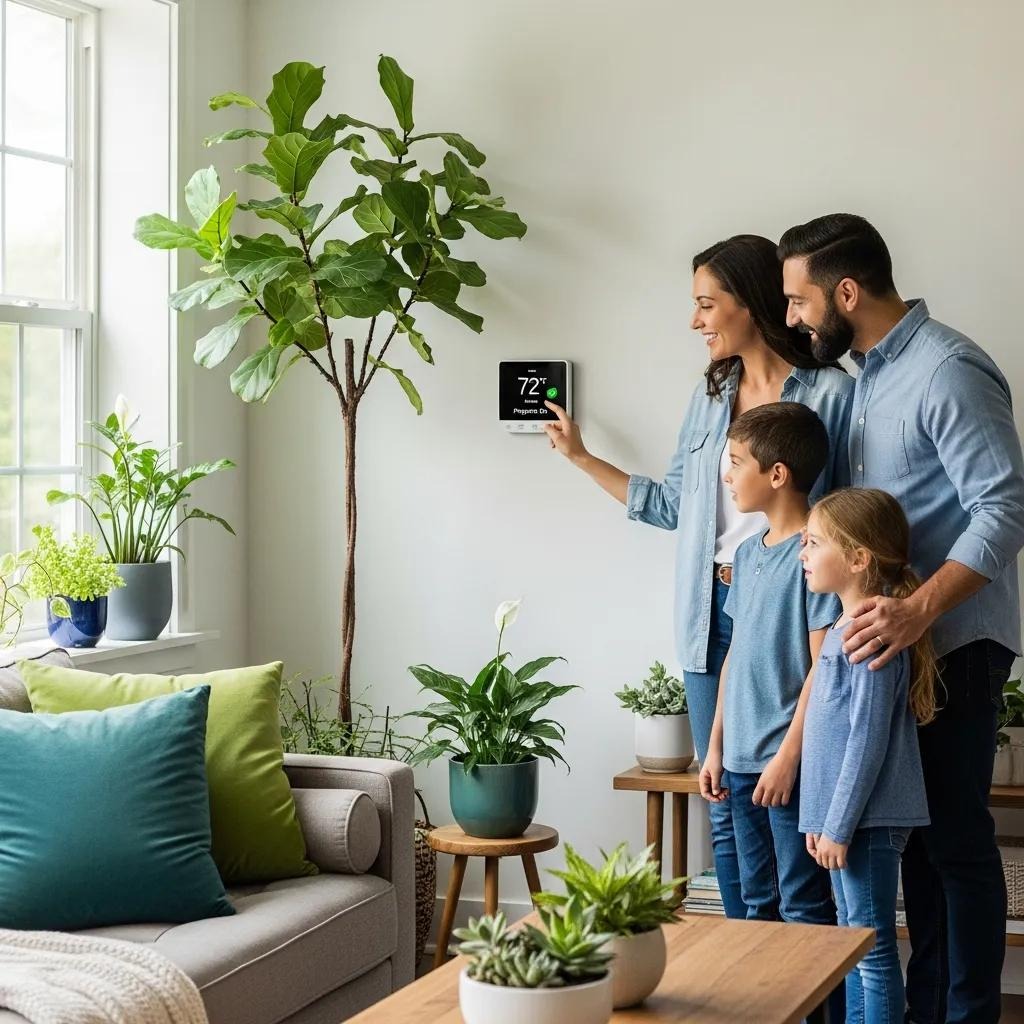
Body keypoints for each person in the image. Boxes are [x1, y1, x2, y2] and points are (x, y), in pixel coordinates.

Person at [543, 234, 853, 919]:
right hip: (709, 606)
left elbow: (852, 514)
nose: (695, 321)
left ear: (752, 304)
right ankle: (742, 962)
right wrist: (580, 458)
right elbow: (671, 505)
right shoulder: (710, 395)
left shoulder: (831, 394)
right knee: (720, 796)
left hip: (791, 607)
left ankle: (796, 968)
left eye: (707, 304)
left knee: (793, 791)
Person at [780, 213, 1024, 1024]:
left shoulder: (947, 370)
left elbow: (1005, 505)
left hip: (950, 640)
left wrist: (919, 610)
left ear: (846, 292)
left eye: (799, 300)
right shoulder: (865, 381)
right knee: (911, 844)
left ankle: (968, 1016)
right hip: (887, 650)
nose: (794, 318)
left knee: (955, 843)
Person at [700, 403, 839, 939]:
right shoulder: (747, 553)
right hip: (737, 765)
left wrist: (787, 760)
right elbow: (734, 656)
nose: (727, 475)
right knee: (757, 904)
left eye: (736, 462)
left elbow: (823, 671)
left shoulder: (814, 554)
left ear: (776, 474)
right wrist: (715, 748)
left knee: (803, 908)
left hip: (788, 768)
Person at [800, 487, 934, 1023]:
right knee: (853, 949)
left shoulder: (870, 637)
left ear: (858, 559)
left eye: (813, 543)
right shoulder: (840, 630)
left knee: (870, 950)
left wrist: (837, 826)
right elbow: (825, 737)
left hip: (867, 822)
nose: (803, 554)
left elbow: (865, 740)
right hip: (845, 821)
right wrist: (819, 817)